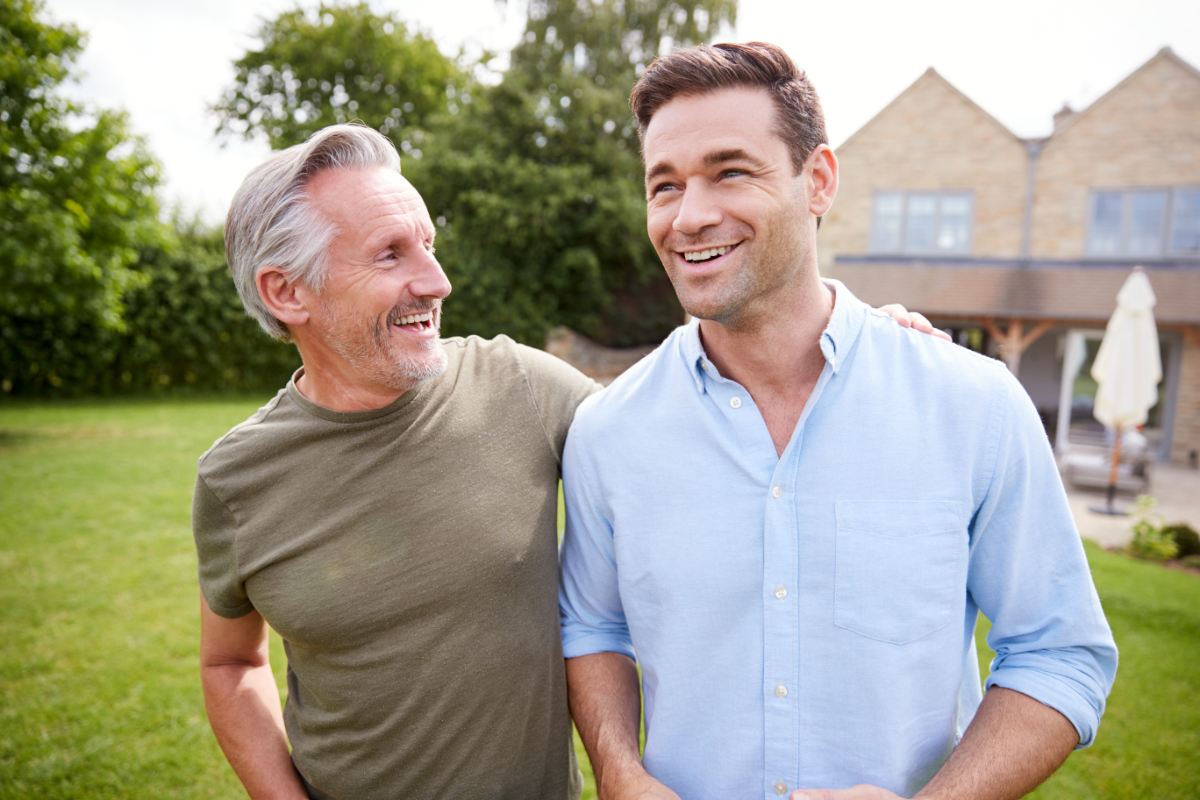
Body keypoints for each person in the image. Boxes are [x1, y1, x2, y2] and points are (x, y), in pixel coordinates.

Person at [194, 122, 942, 799]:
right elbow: (230, 664)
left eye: (428, 243)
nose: (436, 280)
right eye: (391, 254)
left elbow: (698, 402)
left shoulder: (518, 387)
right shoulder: (236, 481)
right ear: (286, 291)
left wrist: (851, 339)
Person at [558, 42, 1118, 800]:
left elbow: (1060, 654)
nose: (690, 216)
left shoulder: (971, 405)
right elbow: (593, 629)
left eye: (730, 171)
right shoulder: (607, 432)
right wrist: (621, 774)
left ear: (817, 180)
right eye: (664, 185)